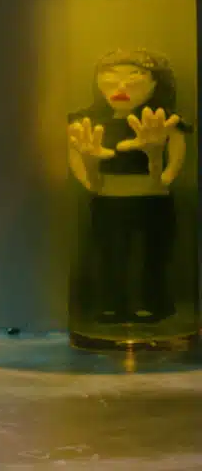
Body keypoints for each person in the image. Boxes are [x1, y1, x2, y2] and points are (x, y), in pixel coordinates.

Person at [67, 48, 190, 325]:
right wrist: (91, 173)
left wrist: (156, 163)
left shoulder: (166, 123)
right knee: (110, 254)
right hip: (107, 200)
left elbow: (172, 168)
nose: (121, 87)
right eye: (110, 79)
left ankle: (154, 302)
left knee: (154, 255)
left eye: (134, 78)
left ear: (155, 83)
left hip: (153, 201)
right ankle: (112, 304)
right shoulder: (86, 122)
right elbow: (79, 164)